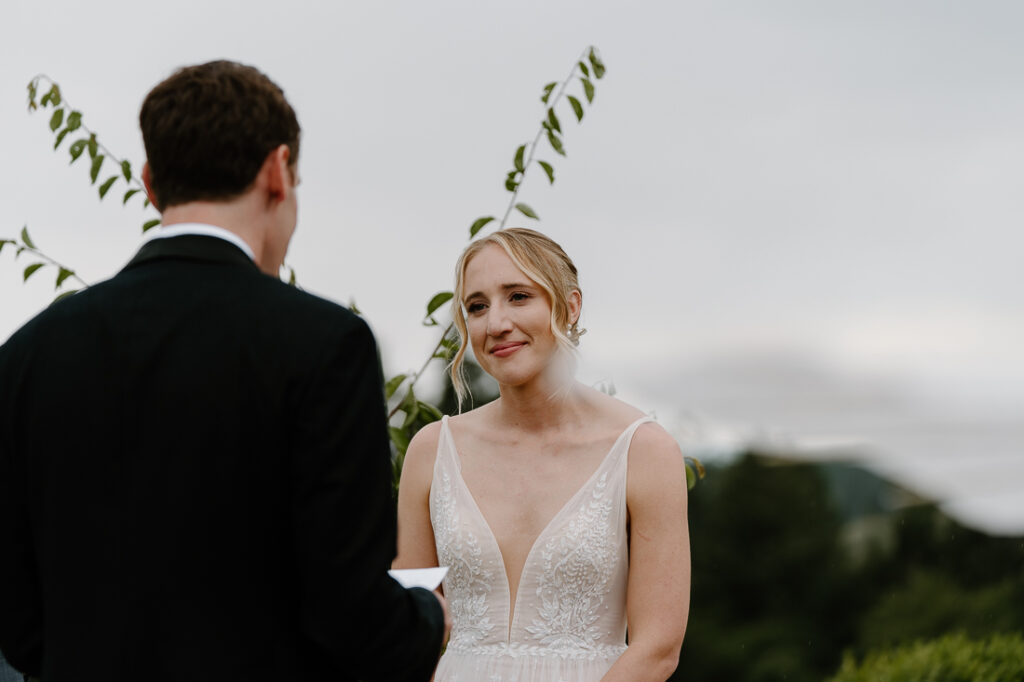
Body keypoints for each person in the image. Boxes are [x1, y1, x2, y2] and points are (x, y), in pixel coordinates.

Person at [0, 60, 448, 682]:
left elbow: (17, 617)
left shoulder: (27, 354)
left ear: (152, 182)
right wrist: (426, 617)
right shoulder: (324, 345)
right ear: (277, 172)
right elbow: (350, 618)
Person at [394, 228, 690, 680]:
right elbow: (405, 633)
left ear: (569, 306)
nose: (495, 323)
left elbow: (658, 648)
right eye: (477, 306)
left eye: (517, 296)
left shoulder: (644, 450)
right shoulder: (431, 450)